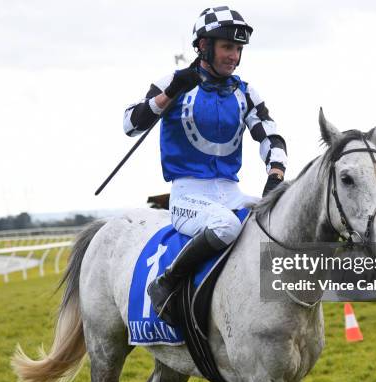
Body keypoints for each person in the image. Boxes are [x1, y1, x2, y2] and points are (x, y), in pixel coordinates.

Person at [123, 6, 288, 323]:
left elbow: (271, 136)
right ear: (203, 46)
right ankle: (166, 283)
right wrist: (169, 93)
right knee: (225, 225)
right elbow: (130, 124)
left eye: (238, 49)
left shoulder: (245, 92)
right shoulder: (172, 81)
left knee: (280, 220)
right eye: (228, 47)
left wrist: (276, 174)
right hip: (187, 196)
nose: (234, 57)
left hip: (231, 192)